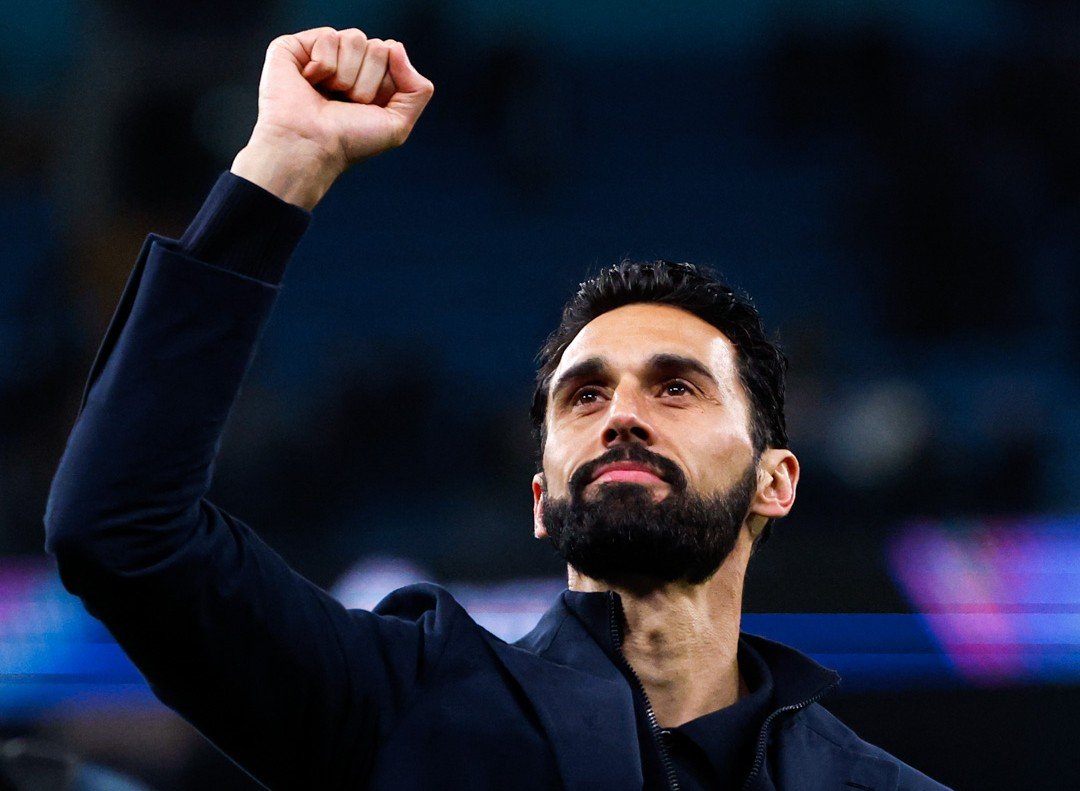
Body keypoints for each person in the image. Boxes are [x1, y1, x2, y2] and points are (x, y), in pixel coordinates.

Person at [45, 26, 948, 791]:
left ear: (775, 479)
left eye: (676, 386)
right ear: (541, 499)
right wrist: (286, 161)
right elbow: (122, 530)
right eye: (584, 395)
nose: (621, 415)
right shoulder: (403, 698)